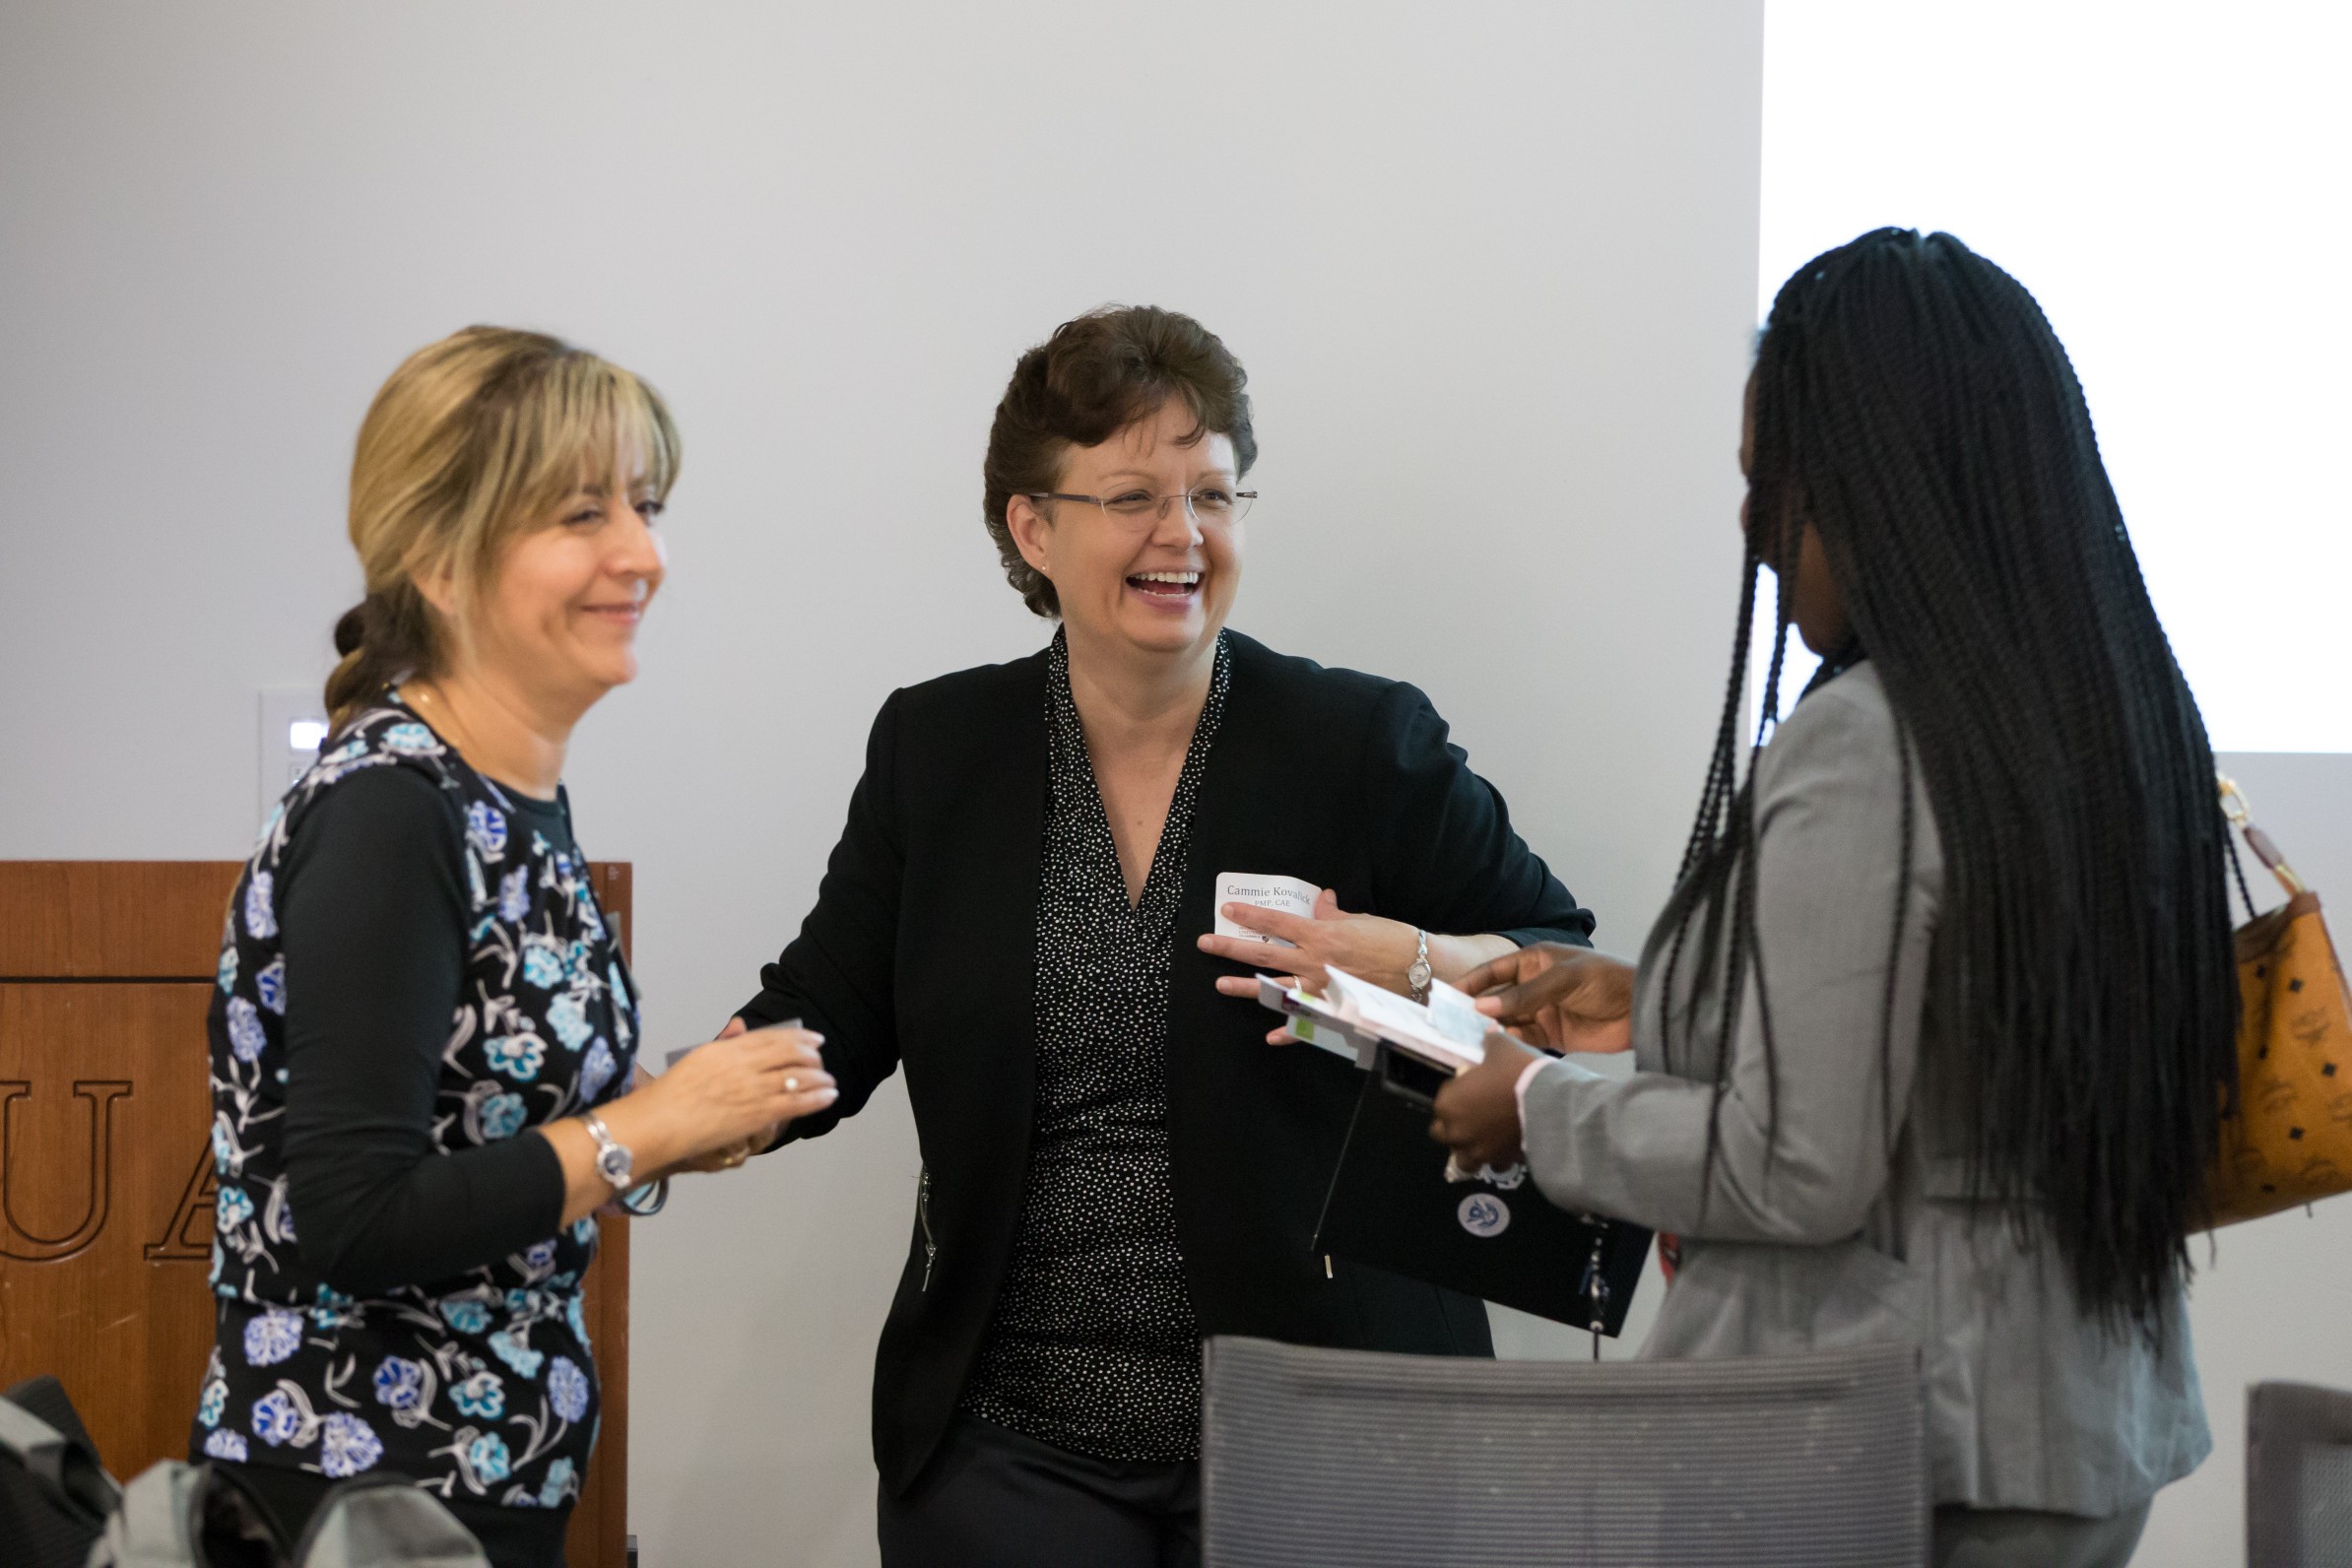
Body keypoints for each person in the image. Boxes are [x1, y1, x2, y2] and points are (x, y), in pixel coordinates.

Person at [731, 304, 1593, 1567]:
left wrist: (1407, 955)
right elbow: (827, 1014)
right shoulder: (938, 748)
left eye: (1213, 493)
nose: (1182, 534)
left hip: (1326, 1420)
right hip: (1011, 1431)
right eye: (1134, 494)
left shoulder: (1360, 742)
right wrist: (665, 1117)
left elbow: (1555, 962)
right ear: (1033, 526)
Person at [1431, 229, 2235, 1568]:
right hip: (2076, 1430)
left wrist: (1533, 1104)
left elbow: (1795, 1167)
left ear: (1881, 478)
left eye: (1775, 483)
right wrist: (1673, 1000)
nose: (1753, 528)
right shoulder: (2110, 713)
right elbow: (1962, 1027)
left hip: (1886, 1454)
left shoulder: (1868, 738)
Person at [196, 327, 836, 1566]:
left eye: (645, 506)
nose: (641, 554)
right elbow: (353, 1215)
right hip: (359, 1492)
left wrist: (682, 1117)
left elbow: (473, 1133)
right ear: (438, 555)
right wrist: (644, 1128)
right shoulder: (393, 808)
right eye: (582, 513)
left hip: (482, 1482)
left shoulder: (502, 794)